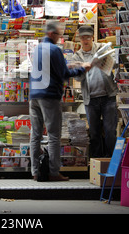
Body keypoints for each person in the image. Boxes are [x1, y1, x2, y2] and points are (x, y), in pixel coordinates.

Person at [29, 21, 91, 182]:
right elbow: (64, 74)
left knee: (35, 135)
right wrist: (83, 68)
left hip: (34, 95)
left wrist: (71, 64)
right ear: (51, 34)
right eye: (58, 35)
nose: (59, 38)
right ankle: (53, 172)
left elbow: (49, 68)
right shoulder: (54, 49)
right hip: (49, 95)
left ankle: (35, 171)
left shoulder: (37, 49)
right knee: (54, 135)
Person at [71, 25, 118, 158]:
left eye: (88, 37)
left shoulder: (102, 49)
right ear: (79, 39)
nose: (85, 40)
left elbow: (114, 63)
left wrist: (106, 60)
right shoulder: (77, 57)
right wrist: (85, 67)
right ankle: (97, 162)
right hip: (90, 99)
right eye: (83, 37)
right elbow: (78, 78)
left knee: (110, 131)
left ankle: (111, 160)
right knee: (94, 132)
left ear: (92, 37)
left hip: (108, 96)